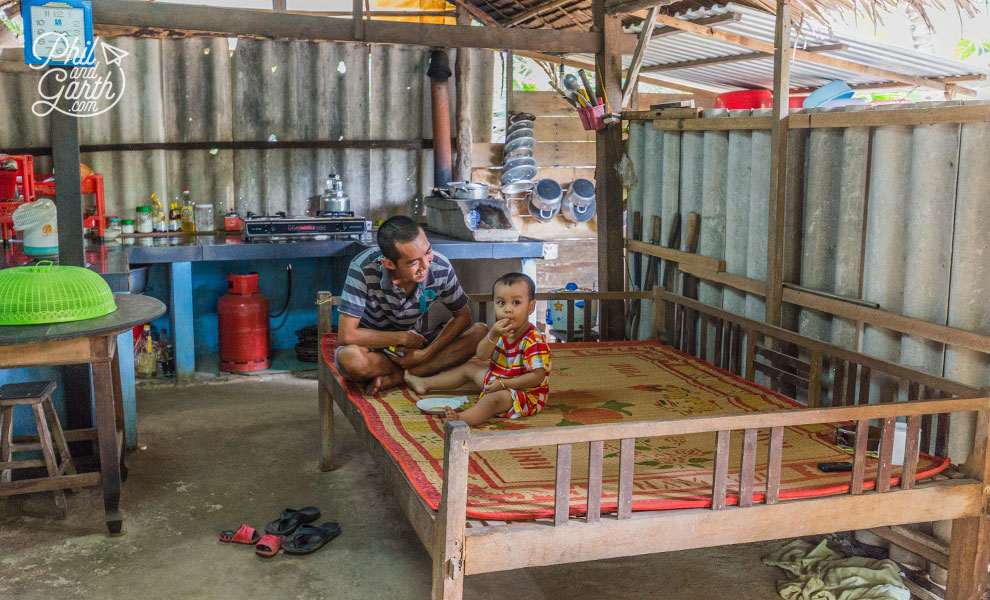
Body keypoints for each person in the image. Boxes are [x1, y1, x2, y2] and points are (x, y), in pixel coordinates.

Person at [335, 215, 487, 394]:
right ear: (388, 263)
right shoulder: (362, 268)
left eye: (428, 252)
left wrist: (426, 353)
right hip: (374, 347)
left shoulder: (441, 266)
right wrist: (402, 338)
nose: (426, 265)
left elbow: (463, 317)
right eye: (414, 262)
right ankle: (418, 371)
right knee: (350, 359)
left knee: (480, 332)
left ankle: (399, 377)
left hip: (418, 346)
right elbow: (347, 335)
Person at [404, 272, 551, 426]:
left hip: (524, 392)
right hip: (499, 379)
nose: (508, 309)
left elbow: (537, 377)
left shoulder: (533, 340)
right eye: (501, 303)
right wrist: (492, 335)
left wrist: (504, 385)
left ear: (531, 307)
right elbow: (481, 355)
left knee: (491, 400)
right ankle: (425, 383)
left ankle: (463, 419)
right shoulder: (500, 332)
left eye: (516, 303)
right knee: (469, 368)